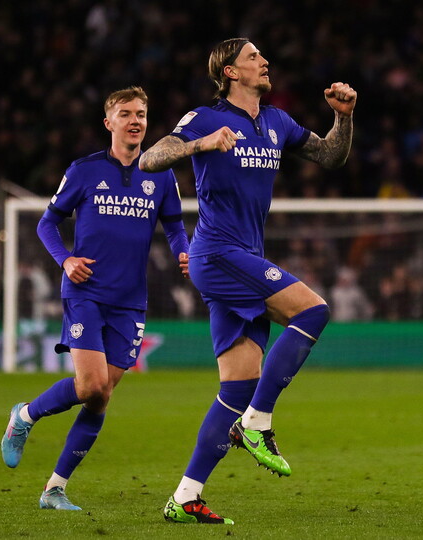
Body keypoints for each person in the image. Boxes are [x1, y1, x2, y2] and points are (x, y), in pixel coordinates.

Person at [140, 38, 356, 524]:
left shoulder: (276, 121)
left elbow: (330, 157)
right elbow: (151, 160)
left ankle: (185, 496)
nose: (264, 62)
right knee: (313, 310)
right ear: (230, 72)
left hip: (244, 256)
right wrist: (203, 144)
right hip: (217, 252)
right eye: (254, 57)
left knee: (237, 387)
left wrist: (343, 117)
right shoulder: (204, 117)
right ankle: (257, 423)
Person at [0, 86, 189, 512]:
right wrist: (66, 261)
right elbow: (47, 224)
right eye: (126, 113)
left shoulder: (161, 174)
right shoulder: (84, 171)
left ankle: (54, 489)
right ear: (109, 122)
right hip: (86, 292)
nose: (136, 120)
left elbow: (175, 225)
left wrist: (184, 250)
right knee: (91, 386)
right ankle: (25, 415)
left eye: (141, 113)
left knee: (102, 396)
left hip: (130, 301)